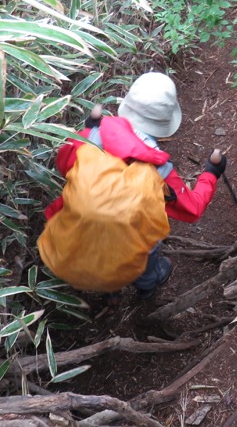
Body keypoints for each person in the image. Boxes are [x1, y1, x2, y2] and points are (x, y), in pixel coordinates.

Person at [43, 71, 227, 299]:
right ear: (165, 122)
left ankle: (109, 291)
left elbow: (64, 165)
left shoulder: (91, 138)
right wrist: (211, 172)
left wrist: (88, 130)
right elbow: (192, 209)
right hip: (129, 240)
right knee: (143, 245)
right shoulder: (159, 169)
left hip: (76, 226)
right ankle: (148, 284)